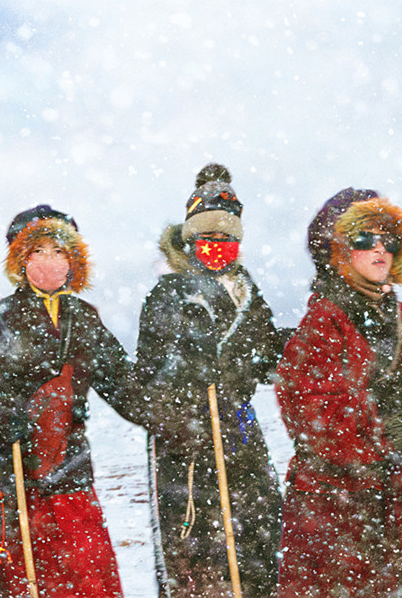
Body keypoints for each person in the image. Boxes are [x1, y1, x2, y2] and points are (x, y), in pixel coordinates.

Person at [275, 188, 402, 597]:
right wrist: (386, 410)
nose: (379, 250)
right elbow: (313, 422)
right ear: (338, 250)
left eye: (388, 240)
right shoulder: (321, 324)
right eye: (363, 239)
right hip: (342, 513)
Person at [134, 164, 289, 596]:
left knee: (259, 537)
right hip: (188, 442)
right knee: (198, 550)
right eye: (209, 239)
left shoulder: (247, 292)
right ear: (191, 239)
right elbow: (148, 374)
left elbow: (263, 354)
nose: (217, 248)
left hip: (238, 432)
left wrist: (302, 344)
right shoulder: (170, 293)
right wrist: (185, 372)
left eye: (227, 240)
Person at [0, 205, 140, 596]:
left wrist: (172, 407)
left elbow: (125, 385)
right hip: (21, 480)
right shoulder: (6, 316)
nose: (49, 260)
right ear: (21, 260)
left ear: (73, 260)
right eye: (38, 252)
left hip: (72, 474)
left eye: (59, 251)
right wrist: (2, 423)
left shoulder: (83, 319)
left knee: (85, 578)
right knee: (29, 580)